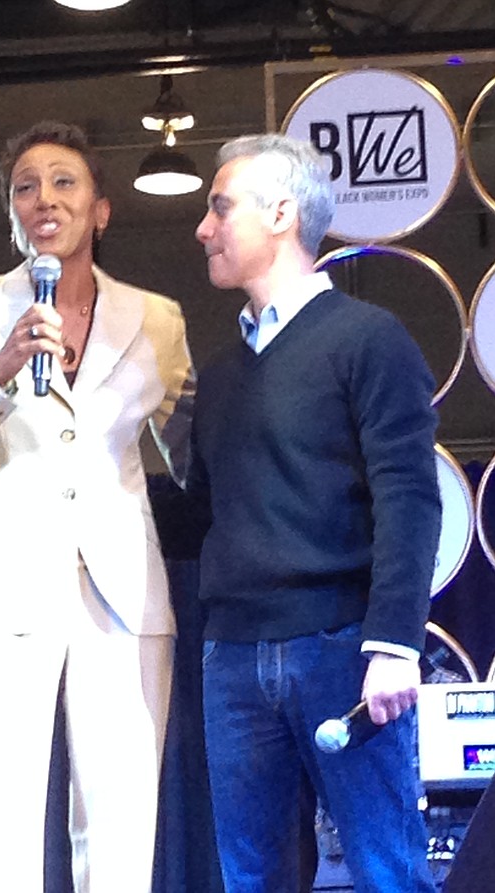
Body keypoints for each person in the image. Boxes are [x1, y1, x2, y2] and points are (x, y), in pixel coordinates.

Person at [0, 120, 195, 893]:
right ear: (12, 213)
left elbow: (191, 454)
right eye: (25, 186)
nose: (45, 198)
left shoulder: (157, 318)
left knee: (123, 828)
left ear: (100, 209)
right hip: (2, 593)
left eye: (64, 181)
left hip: (122, 596)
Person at [188, 132, 441, 893]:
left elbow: (409, 493)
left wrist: (394, 640)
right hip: (232, 655)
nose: (203, 227)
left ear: (281, 213)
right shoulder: (221, 374)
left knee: (387, 869)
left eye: (219, 206)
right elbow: (199, 520)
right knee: (252, 878)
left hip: (341, 646)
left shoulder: (369, 339)